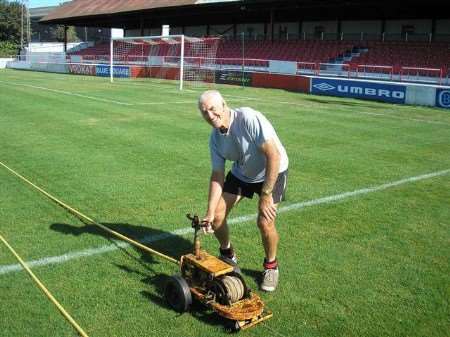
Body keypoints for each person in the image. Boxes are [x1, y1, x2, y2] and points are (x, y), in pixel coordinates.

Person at [197, 90, 289, 292]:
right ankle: (228, 255)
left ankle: (271, 266)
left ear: (224, 104)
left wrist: (265, 195)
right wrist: (210, 211)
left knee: (265, 222)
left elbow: (273, 155)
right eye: (205, 112)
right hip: (243, 172)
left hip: (273, 170)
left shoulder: (247, 118)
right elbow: (217, 175)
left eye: (213, 109)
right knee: (218, 216)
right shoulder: (215, 139)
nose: (210, 115)